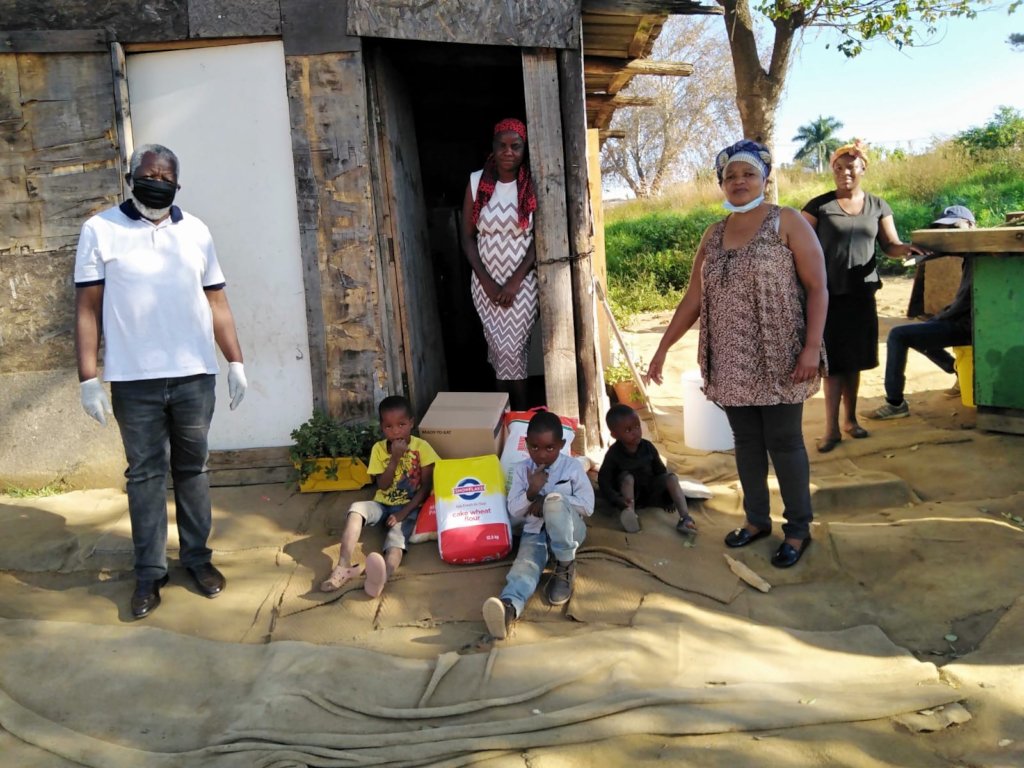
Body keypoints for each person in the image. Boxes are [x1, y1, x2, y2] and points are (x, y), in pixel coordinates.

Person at [74, 143, 247, 619]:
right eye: (147, 174)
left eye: (164, 176)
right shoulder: (100, 230)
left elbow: (217, 302)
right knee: (145, 476)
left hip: (194, 375)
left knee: (193, 470)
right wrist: (89, 377)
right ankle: (150, 573)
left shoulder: (196, 231)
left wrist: (235, 361)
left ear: (177, 183)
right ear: (131, 177)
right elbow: (87, 308)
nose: (156, 181)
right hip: (135, 382)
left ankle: (197, 559)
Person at [646, 140, 827, 569]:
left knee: (784, 443)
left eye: (748, 174)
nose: (739, 182)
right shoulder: (714, 233)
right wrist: (662, 346)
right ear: (721, 184)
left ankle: (798, 529)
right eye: (730, 176)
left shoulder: (789, 221)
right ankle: (757, 520)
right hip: (729, 357)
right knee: (746, 443)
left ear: (764, 177)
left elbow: (818, 286)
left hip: (780, 354)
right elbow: (694, 297)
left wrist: (812, 347)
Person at [802, 140, 928, 452]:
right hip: (826, 296)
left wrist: (906, 251)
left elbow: (891, 244)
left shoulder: (878, 206)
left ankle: (850, 421)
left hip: (862, 294)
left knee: (855, 361)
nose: (845, 173)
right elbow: (798, 245)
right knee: (832, 365)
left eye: (851, 167)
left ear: (863, 169)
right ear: (832, 170)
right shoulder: (818, 207)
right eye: (839, 168)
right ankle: (831, 430)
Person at [482, 410, 594, 639]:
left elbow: (587, 506)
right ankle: (508, 609)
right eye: (534, 448)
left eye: (549, 448)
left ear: (561, 445)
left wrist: (547, 499)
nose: (541, 455)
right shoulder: (523, 470)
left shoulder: (571, 467)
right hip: (535, 532)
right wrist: (531, 492)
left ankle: (565, 565)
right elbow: (514, 509)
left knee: (553, 501)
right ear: (526, 445)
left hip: (570, 532)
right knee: (524, 567)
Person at [320, 395, 438, 597]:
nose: (396, 431)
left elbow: (426, 487)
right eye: (389, 427)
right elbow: (381, 486)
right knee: (356, 509)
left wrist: (402, 513)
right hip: (382, 503)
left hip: (409, 508)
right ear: (382, 428)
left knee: (396, 542)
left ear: (411, 423)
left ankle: (382, 576)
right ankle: (343, 566)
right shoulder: (378, 449)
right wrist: (394, 459)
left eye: (401, 424)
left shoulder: (422, 448)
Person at [866, 205, 976, 420]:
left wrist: (942, 316)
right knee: (923, 330)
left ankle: (895, 404)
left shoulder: (981, 251)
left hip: (971, 325)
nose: (950, 234)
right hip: (971, 320)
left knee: (900, 335)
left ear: (971, 225)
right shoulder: (973, 252)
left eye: (955, 227)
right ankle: (956, 370)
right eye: (943, 230)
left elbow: (964, 303)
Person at [460, 118, 539, 411]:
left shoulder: (531, 183)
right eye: (502, 145)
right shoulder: (476, 181)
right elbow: (468, 238)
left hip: (522, 283)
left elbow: (539, 240)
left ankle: (521, 418)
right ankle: (504, 422)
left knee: (511, 350)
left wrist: (514, 281)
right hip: (485, 284)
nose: (509, 152)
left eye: (515, 146)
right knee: (498, 352)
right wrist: (488, 282)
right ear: (493, 147)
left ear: (523, 149)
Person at [597, 403, 697, 535]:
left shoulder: (648, 447)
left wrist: (667, 498)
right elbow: (604, 481)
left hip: (650, 491)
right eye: (628, 430)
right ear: (614, 435)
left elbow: (660, 472)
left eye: (637, 426)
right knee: (627, 478)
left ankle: (685, 518)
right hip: (629, 500)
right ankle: (631, 516)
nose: (635, 432)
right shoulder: (613, 454)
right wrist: (616, 499)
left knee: (671, 477)